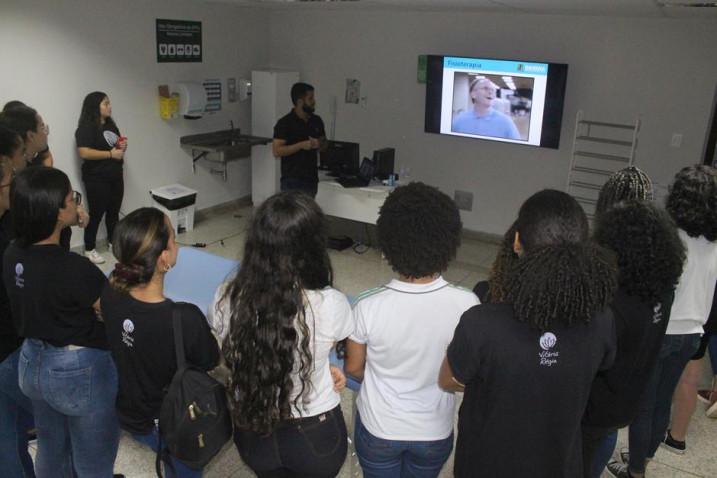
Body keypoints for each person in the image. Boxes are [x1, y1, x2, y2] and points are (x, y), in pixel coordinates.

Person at [440, 189, 617, 478]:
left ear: (518, 241)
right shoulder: (601, 320)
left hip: (486, 464)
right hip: (560, 465)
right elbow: (598, 367)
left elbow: (449, 378)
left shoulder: (481, 323)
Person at [212, 191, 352, 477]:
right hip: (314, 436)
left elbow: (260, 346)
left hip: (252, 430)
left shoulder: (225, 296)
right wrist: (326, 369)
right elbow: (317, 345)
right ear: (314, 246)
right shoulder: (331, 304)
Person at [344, 182, 479, 478]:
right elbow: (465, 372)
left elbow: (353, 369)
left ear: (389, 241)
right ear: (448, 241)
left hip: (379, 428)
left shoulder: (367, 304)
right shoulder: (468, 304)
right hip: (434, 432)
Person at [3, 167, 119, 477]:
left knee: (52, 448)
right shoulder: (76, 269)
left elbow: (47, 273)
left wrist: (68, 225)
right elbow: (110, 312)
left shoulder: (12, 253)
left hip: (32, 364)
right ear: (56, 212)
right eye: (71, 199)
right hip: (76, 371)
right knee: (93, 458)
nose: (76, 204)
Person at [607, 165, 717, 478]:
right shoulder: (714, 243)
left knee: (643, 403)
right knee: (661, 402)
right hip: (694, 334)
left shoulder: (668, 238)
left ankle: (636, 470)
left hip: (662, 333)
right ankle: (646, 453)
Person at [101, 207, 219, 478]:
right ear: (164, 258)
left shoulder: (110, 290)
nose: (177, 245)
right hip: (171, 423)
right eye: (174, 240)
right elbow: (211, 360)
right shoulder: (183, 318)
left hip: (129, 412)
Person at [584, 200, 684, 478]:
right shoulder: (663, 293)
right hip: (628, 397)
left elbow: (592, 357)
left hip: (597, 404)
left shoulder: (616, 304)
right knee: (603, 441)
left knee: (582, 457)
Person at [0, 129, 36, 477]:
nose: (15, 182)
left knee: (7, 437)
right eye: (10, 178)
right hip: (7, 352)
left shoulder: (8, 226)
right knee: (61, 424)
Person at [76, 92, 127, 265]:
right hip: (96, 178)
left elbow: (116, 146)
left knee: (114, 212)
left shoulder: (111, 125)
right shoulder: (86, 128)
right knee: (97, 213)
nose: (109, 106)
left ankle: (114, 242)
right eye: (106, 103)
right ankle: (90, 249)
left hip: (115, 175)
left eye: (109, 103)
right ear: (95, 107)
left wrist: (121, 146)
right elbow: (84, 152)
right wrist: (110, 154)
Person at [272, 82, 326, 197]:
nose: (314, 102)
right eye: (310, 99)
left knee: (308, 212)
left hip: (311, 178)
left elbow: (325, 143)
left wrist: (319, 144)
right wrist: (301, 145)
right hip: (292, 179)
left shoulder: (317, 120)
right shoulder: (284, 123)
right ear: (300, 102)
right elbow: (277, 151)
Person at [451, 77, 521, 140]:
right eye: (485, 88)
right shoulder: (459, 121)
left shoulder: (506, 122)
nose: (490, 92)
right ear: (473, 94)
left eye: (493, 90)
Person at [2, 101, 53, 166]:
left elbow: (47, 156)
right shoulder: (14, 169)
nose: (47, 133)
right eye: (42, 127)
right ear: (31, 136)